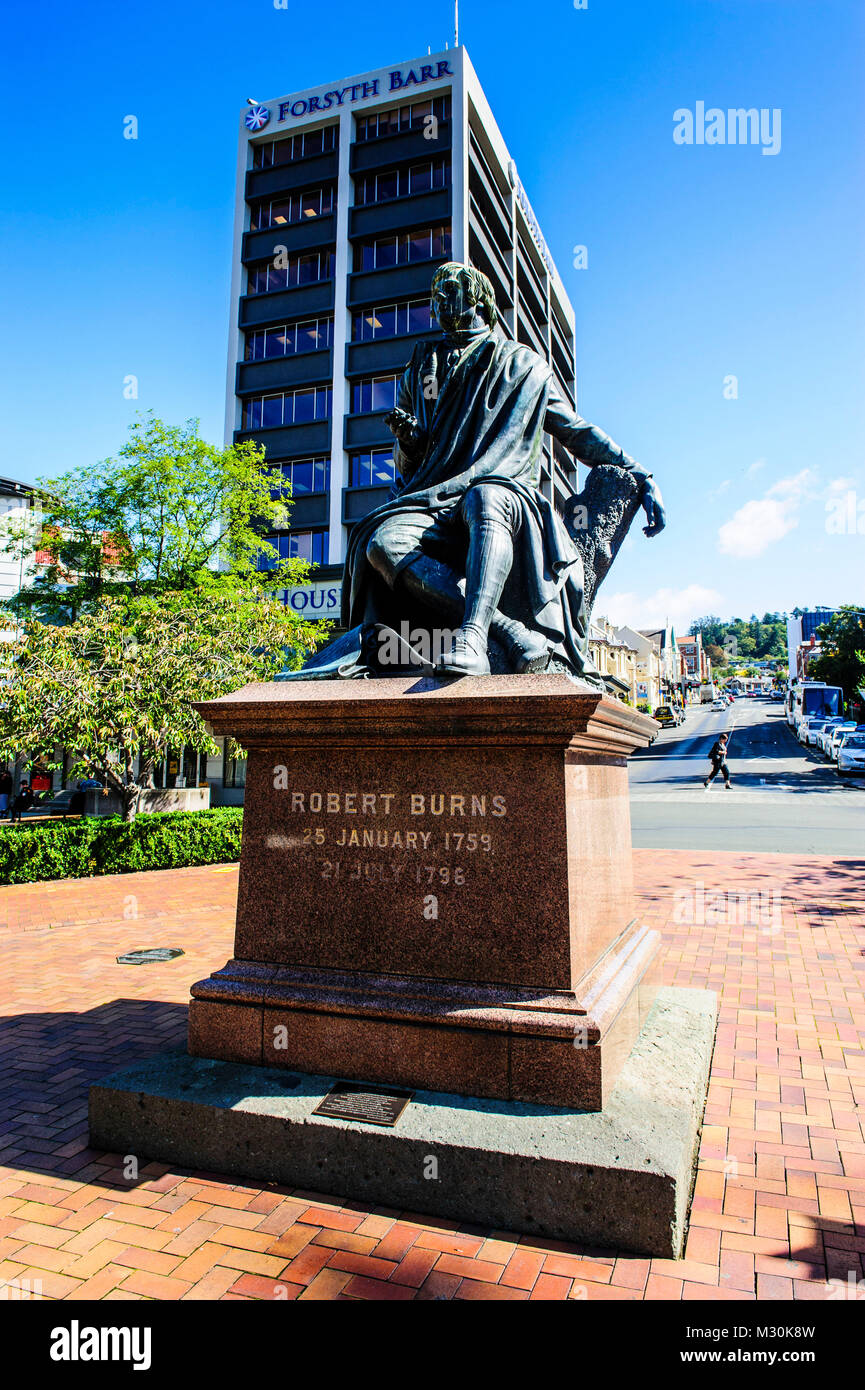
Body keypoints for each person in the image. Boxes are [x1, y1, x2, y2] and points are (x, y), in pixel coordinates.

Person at [296, 261, 666, 680]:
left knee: (486, 495)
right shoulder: (421, 365)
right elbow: (406, 471)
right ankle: (508, 629)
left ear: (479, 299)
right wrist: (410, 443)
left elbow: (575, 432)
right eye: (434, 294)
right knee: (382, 542)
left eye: (449, 290)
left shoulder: (520, 365)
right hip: (432, 499)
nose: (438, 301)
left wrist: (639, 473)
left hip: (502, 492)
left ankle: (473, 636)